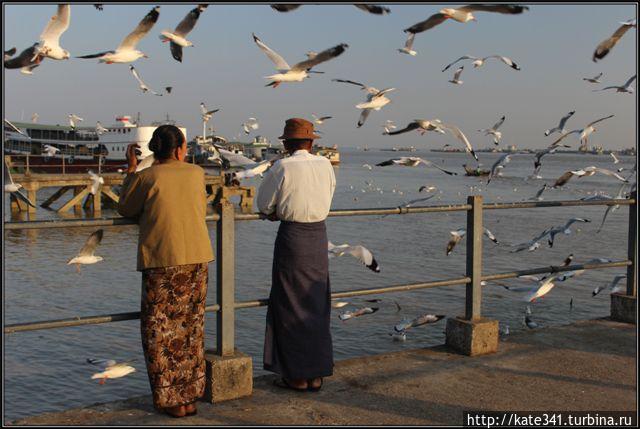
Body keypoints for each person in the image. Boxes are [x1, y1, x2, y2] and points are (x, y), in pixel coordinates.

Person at [118, 125, 214, 418]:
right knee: (190, 330)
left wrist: (132, 170)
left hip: (162, 261)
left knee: (159, 331)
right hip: (196, 260)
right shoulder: (196, 173)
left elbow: (125, 208)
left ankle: (172, 401)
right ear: (180, 148)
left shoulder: (147, 177)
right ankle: (190, 397)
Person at [257, 118, 337, 392]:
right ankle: (316, 373)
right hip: (318, 236)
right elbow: (328, 195)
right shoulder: (326, 164)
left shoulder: (282, 166)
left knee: (289, 303)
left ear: (286, 144)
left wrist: (275, 212)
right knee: (315, 303)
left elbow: (264, 205)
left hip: (293, 237)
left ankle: (296, 376)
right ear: (312, 142)